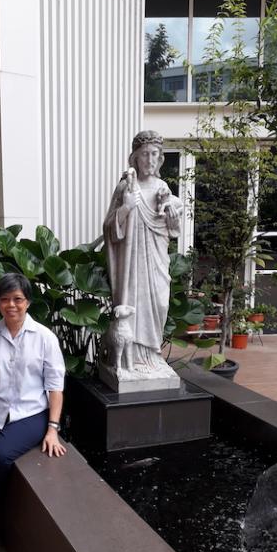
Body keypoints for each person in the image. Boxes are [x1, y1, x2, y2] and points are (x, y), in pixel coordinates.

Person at [0, 273, 66, 552]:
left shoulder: (45, 338)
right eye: (5, 299)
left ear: (28, 302)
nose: (11, 305)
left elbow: (55, 386)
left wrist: (53, 429)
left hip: (31, 413)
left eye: (17, 299)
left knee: (0, 457)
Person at [103, 130, 183, 373]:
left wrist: (171, 214)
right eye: (144, 154)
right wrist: (126, 208)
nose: (149, 159)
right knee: (132, 305)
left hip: (157, 258)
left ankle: (152, 354)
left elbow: (173, 230)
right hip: (131, 262)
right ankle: (132, 358)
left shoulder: (163, 189)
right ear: (135, 158)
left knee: (160, 302)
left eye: (154, 154)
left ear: (160, 159)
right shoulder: (125, 187)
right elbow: (109, 228)